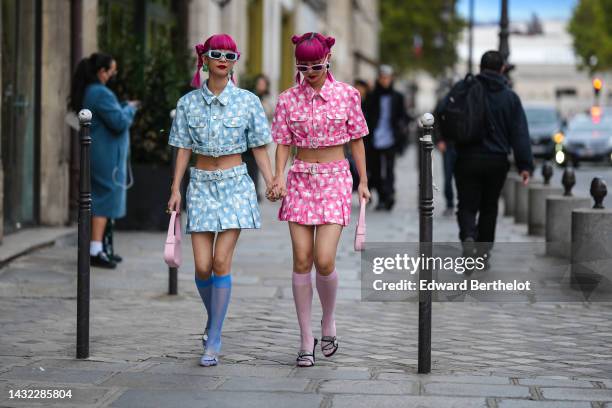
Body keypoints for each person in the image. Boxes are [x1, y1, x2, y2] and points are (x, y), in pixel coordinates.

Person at [167, 34, 275, 367]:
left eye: (231, 55)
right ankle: (213, 319)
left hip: (234, 186)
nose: (224, 59)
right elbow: (183, 148)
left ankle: (214, 336)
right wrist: (175, 189)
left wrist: (272, 180)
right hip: (199, 184)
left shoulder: (248, 101)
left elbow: (259, 145)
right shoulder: (188, 103)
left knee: (220, 263)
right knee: (201, 266)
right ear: (205, 59)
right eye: (217, 54)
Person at [268, 32, 370, 367]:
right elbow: (283, 142)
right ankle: (305, 337)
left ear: (328, 60)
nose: (310, 71)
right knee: (302, 259)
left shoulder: (347, 96)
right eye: (303, 66)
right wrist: (278, 176)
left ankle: (328, 320)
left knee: (324, 260)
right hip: (299, 178)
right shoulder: (287, 99)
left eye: (316, 65)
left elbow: (357, 140)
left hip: (334, 177)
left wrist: (364, 182)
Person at [442, 51, 533, 255]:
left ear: (480, 68)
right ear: (502, 69)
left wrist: (444, 139)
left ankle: (468, 235)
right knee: (489, 207)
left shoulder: (464, 88)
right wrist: (525, 165)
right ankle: (483, 253)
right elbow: (519, 132)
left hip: (466, 157)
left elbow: (442, 111)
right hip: (497, 160)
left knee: (466, 204)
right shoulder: (510, 97)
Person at [69, 52, 139, 269]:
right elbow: (118, 121)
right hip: (106, 156)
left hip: (100, 153)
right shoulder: (100, 93)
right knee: (105, 199)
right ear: (102, 72)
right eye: (112, 70)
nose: (113, 74)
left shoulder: (91, 91)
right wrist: (130, 108)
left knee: (101, 197)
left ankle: (101, 247)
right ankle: (96, 250)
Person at [364, 65, 409, 211]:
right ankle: (382, 197)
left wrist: (401, 128)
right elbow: (365, 114)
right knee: (376, 170)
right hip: (374, 138)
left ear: (391, 79)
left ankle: (389, 196)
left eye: (387, 78)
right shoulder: (372, 96)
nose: (385, 80)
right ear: (378, 78)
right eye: (382, 77)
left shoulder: (398, 97)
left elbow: (403, 116)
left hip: (391, 138)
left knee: (389, 169)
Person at [243, 74, 274, 201]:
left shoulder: (267, 102)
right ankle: (251, 190)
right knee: (249, 165)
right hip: (248, 140)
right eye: (259, 83)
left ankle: (256, 190)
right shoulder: (250, 98)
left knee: (257, 166)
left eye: (263, 84)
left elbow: (270, 118)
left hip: (261, 137)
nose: (261, 86)